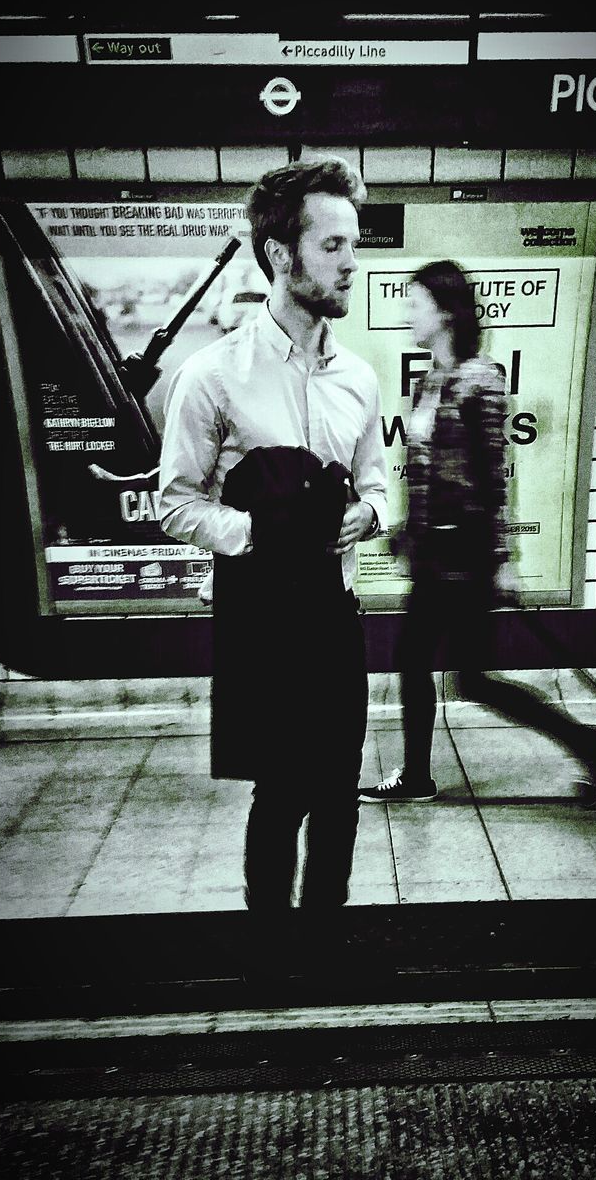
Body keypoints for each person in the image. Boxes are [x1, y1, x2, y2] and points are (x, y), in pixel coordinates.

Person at [158, 157, 388, 972]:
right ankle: (269, 943)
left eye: (352, 244)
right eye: (333, 245)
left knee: (341, 791)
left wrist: (370, 511)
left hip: (338, 615)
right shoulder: (212, 376)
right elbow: (176, 501)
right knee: (282, 790)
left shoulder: (359, 378)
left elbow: (376, 482)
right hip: (264, 616)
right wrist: (260, 534)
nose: (351, 262)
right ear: (281, 255)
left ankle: (324, 936)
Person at [358, 260, 596, 807]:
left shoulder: (482, 379)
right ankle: (422, 775)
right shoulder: (430, 380)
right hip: (433, 554)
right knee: (427, 666)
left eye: (416, 303)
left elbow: (493, 476)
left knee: (466, 678)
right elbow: (427, 469)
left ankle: (585, 740)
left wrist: (501, 558)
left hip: (466, 555)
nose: (409, 313)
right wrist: (407, 529)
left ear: (446, 312)